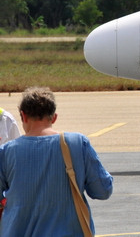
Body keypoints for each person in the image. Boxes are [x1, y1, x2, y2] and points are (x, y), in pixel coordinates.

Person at [0, 87, 113, 236]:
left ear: (23, 116)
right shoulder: (77, 143)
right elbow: (103, 191)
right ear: (54, 118)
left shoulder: (6, 151)